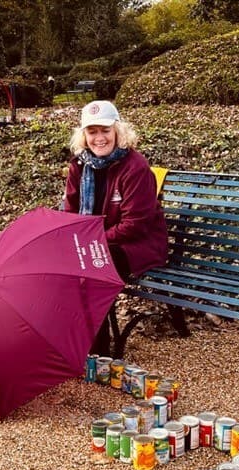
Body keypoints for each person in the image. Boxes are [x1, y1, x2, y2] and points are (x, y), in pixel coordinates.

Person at [62, 100, 168, 353]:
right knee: (59, 268)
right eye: (92, 131)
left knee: (93, 271)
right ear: (84, 135)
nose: (99, 138)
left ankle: (96, 354)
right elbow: (70, 212)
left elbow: (135, 226)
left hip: (137, 246)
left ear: (118, 131)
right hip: (96, 242)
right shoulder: (79, 165)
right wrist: (73, 243)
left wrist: (89, 245)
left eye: (105, 130)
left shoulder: (136, 167)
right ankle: (68, 342)